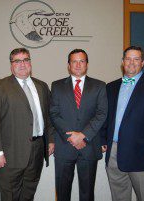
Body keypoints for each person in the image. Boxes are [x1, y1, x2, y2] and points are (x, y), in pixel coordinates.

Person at [102, 46, 144, 201]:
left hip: (143, 155)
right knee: (119, 197)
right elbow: (106, 117)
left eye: (136, 59)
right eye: (128, 58)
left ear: (143, 62)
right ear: (122, 62)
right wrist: (102, 140)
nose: (131, 62)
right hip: (113, 153)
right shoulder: (111, 87)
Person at [0, 48, 54, 201]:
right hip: (10, 154)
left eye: (26, 60)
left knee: (28, 194)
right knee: (10, 196)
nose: (22, 64)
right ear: (11, 65)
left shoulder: (42, 86)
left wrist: (50, 140)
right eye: (17, 61)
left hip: (37, 150)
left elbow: (47, 117)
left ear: (30, 62)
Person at [49, 49, 108, 201]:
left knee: (87, 194)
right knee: (62, 194)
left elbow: (101, 114)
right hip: (64, 146)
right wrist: (72, 136)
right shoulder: (56, 86)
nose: (78, 65)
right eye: (74, 61)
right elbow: (54, 114)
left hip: (88, 147)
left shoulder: (99, 86)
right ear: (68, 65)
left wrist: (82, 135)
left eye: (81, 61)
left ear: (87, 64)